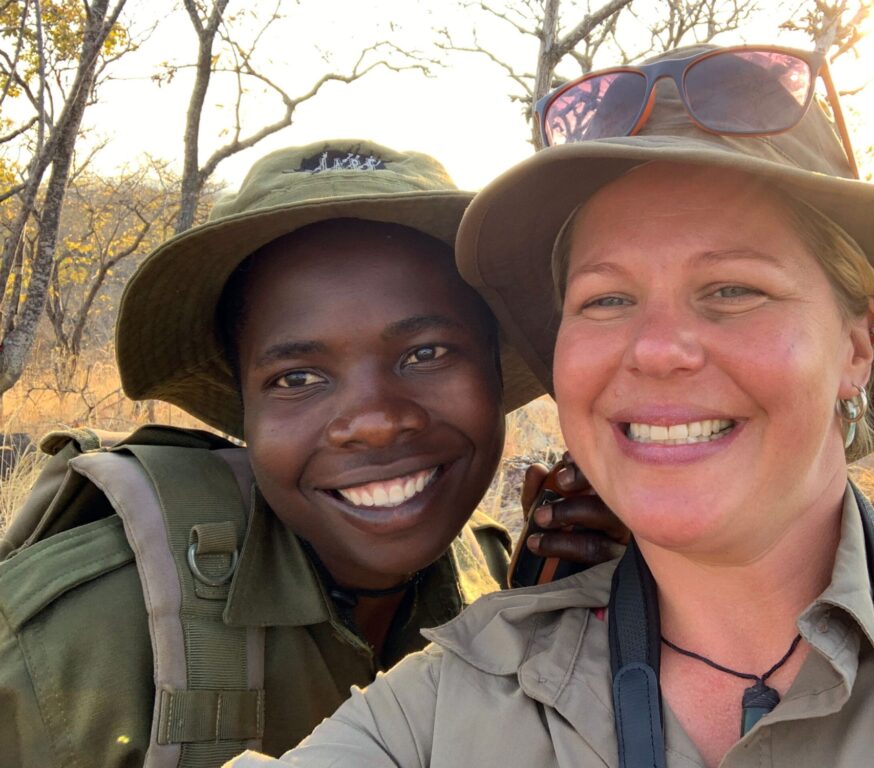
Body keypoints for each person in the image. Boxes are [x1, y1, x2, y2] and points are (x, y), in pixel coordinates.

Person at [225, 45, 874, 768]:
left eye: (733, 289)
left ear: (855, 346)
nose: (657, 349)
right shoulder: (448, 706)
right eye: (607, 298)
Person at [0, 139, 625, 767]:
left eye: (426, 353)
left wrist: (566, 623)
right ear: (245, 409)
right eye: (298, 378)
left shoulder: (490, 574)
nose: (376, 424)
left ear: (495, 369)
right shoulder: (70, 641)